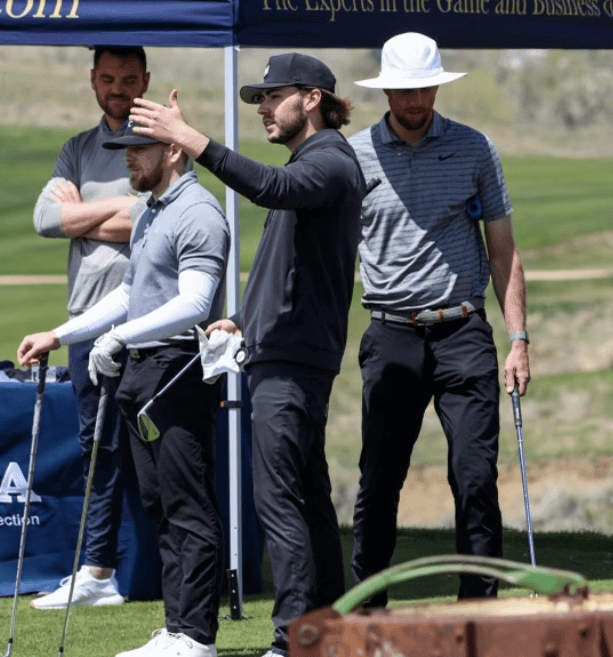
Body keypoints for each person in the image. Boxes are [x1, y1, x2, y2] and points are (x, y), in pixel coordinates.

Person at [130, 53, 366, 657]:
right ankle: (328, 631)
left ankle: (293, 640)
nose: (261, 106)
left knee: (279, 497)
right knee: (307, 495)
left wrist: (192, 139)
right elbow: (282, 268)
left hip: (293, 361)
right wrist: (242, 319)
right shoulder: (312, 161)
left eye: (271, 95)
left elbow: (269, 187)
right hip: (280, 351)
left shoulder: (332, 161)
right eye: (257, 98)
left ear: (311, 98)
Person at [18, 123, 230, 657]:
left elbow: (196, 303)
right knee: (160, 505)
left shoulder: (198, 212)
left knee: (188, 505)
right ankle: (177, 628)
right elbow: (131, 294)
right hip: (143, 371)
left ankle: (197, 637)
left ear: (174, 150)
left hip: (178, 370)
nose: (127, 160)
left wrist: (120, 336)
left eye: (137, 150)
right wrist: (60, 334)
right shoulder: (150, 211)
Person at [347, 32, 532, 603]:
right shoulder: (352, 156)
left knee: (475, 478)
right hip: (391, 335)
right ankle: (368, 610)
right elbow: (324, 252)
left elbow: (503, 249)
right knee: (380, 481)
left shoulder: (474, 148)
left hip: (463, 331)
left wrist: (518, 338)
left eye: (425, 87)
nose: (416, 100)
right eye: (404, 90)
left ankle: (480, 610)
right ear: (387, 90)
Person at [28, 45, 151, 610]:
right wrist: (116, 214)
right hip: (85, 323)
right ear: (93, 82)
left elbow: (151, 223)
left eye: (128, 78)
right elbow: (45, 219)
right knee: (97, 448)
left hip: (149, 324)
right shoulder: (77, 148)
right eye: (108, 78)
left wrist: (84, 220)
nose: (118, 88)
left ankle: (154, 572)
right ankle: (97, 571)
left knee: (154, 452)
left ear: (145, 80)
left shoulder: (162, 139)